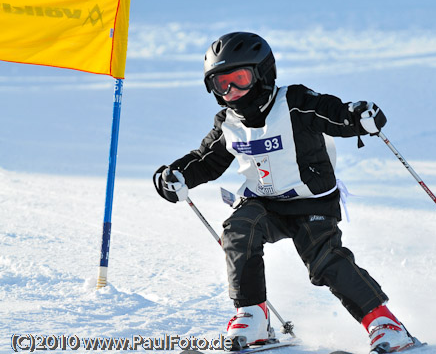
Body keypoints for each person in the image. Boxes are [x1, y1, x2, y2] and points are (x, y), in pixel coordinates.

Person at [153, 32, 421, 353]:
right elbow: (206, 160)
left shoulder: (294, 102)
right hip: (263, 203)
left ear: (263, 74)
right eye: (221, 84)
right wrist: (176, 175)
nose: (231, 91)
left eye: (239, 79)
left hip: (311, 202)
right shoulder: (228, 121)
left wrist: (356, 117)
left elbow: (331, 113)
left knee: (324, 261)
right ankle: (252, 315)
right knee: (239, 230)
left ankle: (384, 322)